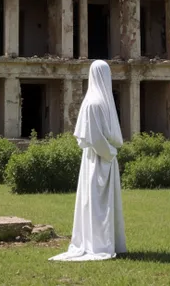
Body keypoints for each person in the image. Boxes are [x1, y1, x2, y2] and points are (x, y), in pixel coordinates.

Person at [49, 60, 127, 262]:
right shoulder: (94, 103)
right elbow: (95, 138)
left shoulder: (101, 102)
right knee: (96, 204)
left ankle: (108, 242)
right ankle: (96, 244)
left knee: (105, 204)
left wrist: (110, 153)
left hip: (106, 158)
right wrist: (110, 152)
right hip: (97, 159)